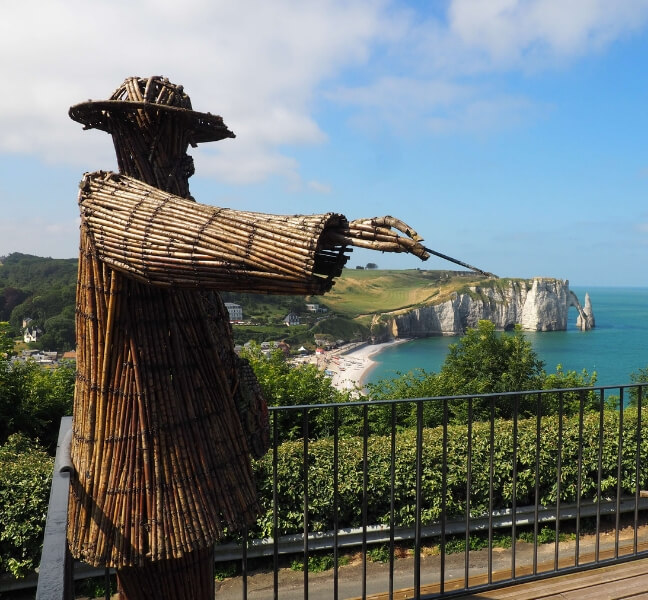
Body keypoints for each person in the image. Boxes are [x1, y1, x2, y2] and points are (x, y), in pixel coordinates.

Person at [67, 76, 428, 598]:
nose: (187, 157)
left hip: (184, 452)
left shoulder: (157, 210)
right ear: (140, 131)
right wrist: (338, 234)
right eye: (177, 138)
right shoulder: (111, 201)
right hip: (142, 462)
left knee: (192, 579)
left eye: (189, 141)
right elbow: (198, 235)